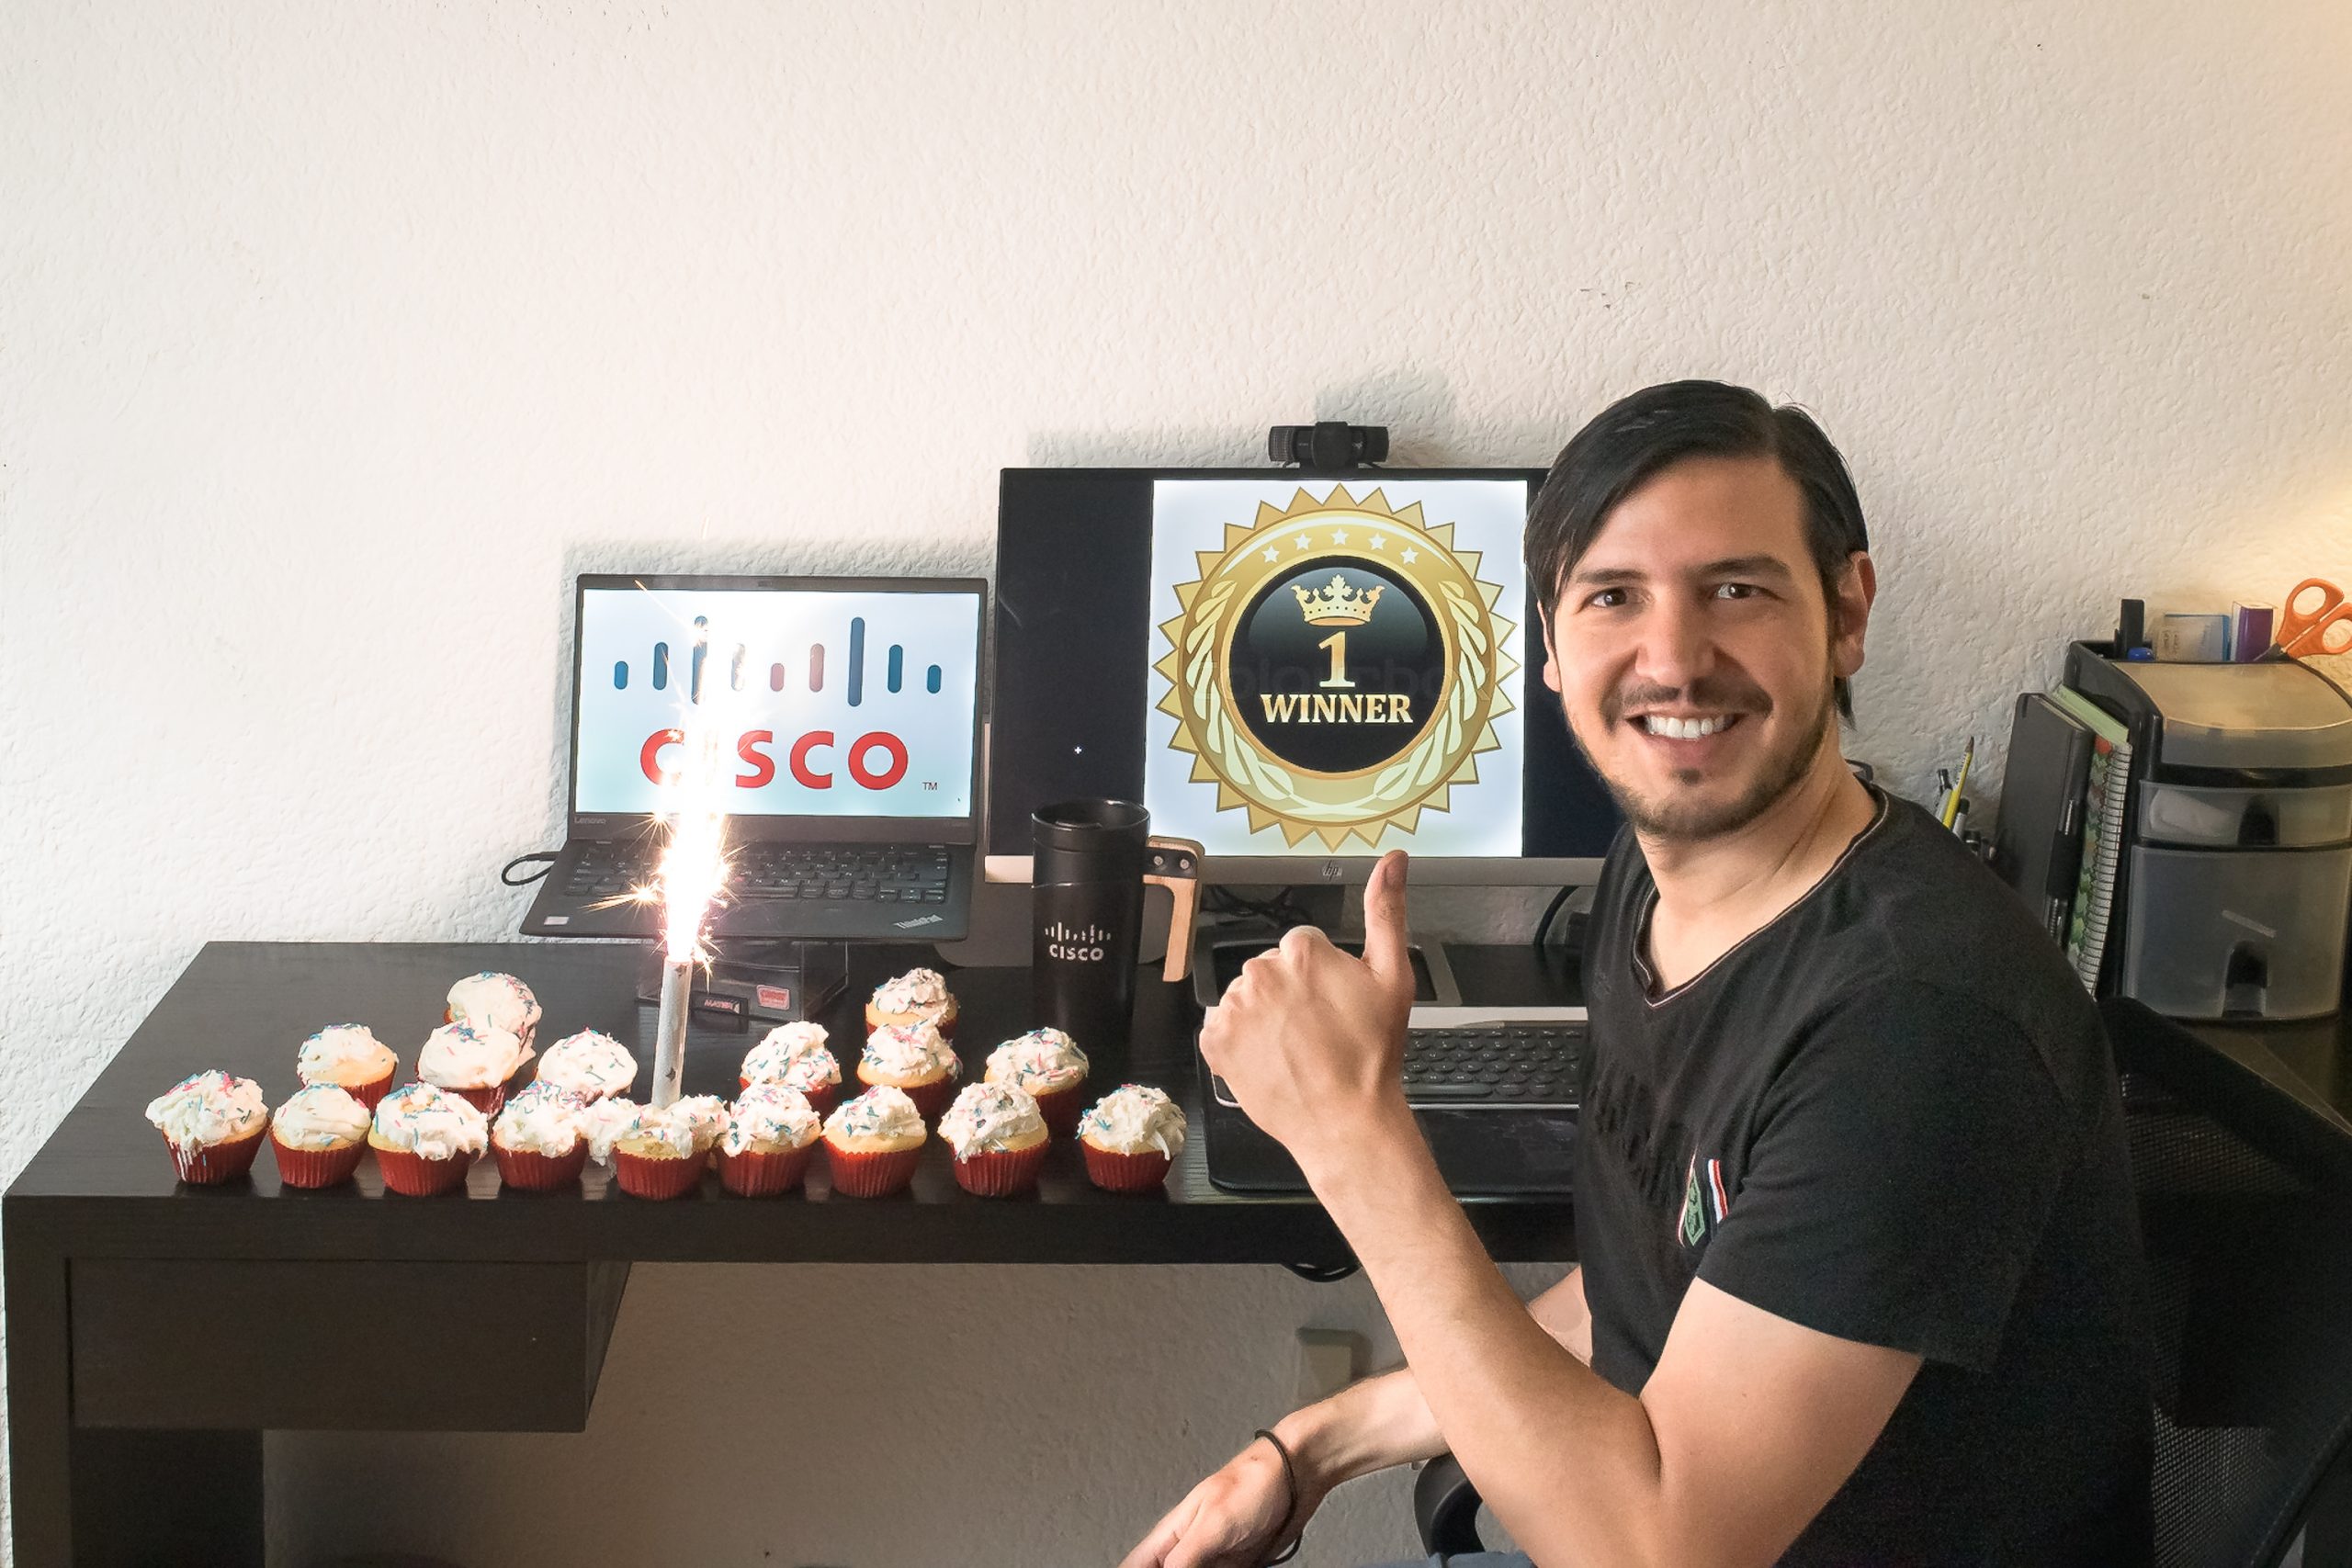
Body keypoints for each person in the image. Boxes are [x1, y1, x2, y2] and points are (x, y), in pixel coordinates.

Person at [1120, 381, 2153, 1568]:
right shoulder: (1654, 885)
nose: (1674, 659)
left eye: (1738, 589)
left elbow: (1657, 1552)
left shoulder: (1917, 1025)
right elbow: (1652, 1299)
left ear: (1848, 611)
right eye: (1615, 596)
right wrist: (1318, 1444)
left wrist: (1354, 1135)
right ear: (1550, 649)